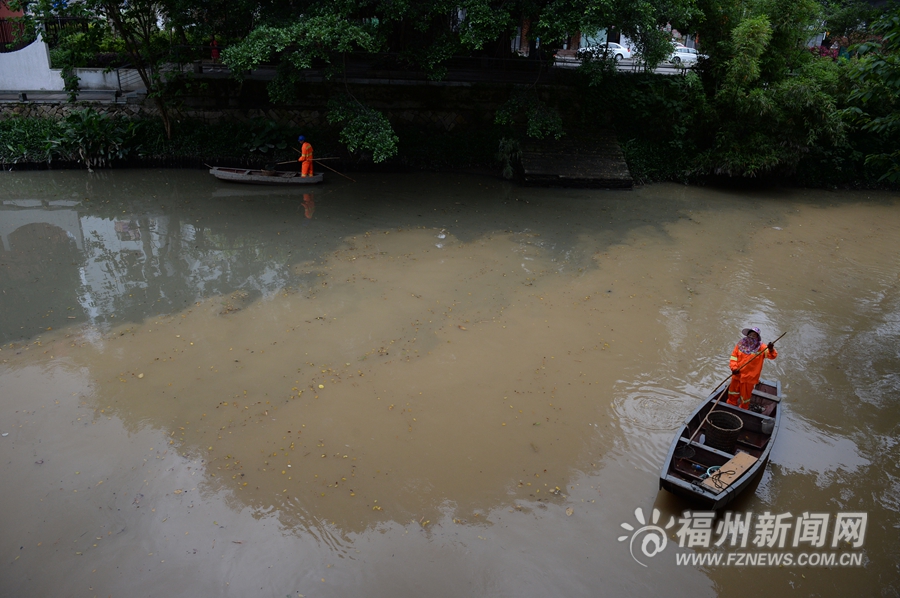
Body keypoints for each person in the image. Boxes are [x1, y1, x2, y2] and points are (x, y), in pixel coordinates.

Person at [727, 327, 777, 409]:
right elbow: (733, 357)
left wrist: (771, 349)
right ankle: (730, 404)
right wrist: (734, 368)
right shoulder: (740, 344)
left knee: (745, 397)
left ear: (757, 337)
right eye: (750, 335)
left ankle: (743, 408)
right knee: (732, 392)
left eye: (754, 336)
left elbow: (772, 356)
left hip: (749, 378)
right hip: (737, 374)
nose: (751, 337)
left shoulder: (761, 347)